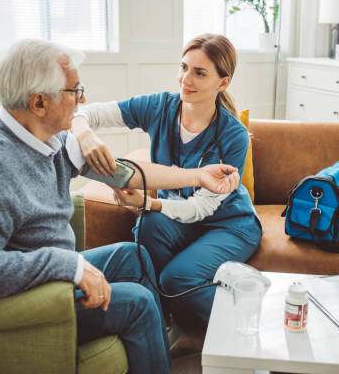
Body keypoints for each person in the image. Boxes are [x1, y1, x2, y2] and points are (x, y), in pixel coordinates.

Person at [0, 38, 241, 374]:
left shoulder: (47, 138)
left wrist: (199, 176)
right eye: (74, 90)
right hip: (25, 298)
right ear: (39, 102)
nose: (82, 99)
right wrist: (69, 265)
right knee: (137, 303)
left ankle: (155, 357)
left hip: (52, 277)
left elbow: (124, 175)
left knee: (133, 255)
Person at [71, 34, 263, 326]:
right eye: (184, 67)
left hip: (228, 224)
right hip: (180, 221)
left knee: (176, 277)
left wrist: (149, 202)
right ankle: (158, 320)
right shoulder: (159, 107)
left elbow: (201, 208)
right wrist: (84, 133)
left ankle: (248, 328)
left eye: (200, 73)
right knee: (148, 224)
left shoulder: (232, 135)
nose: (186, 79)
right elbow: (85, 112)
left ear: (223, 82)